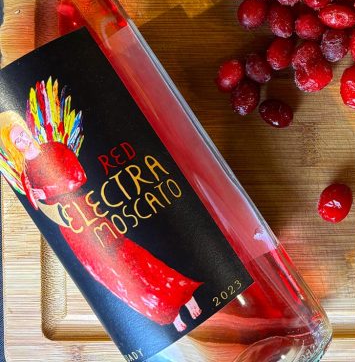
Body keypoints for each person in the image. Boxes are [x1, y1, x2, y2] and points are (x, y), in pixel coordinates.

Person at [0, 110, 203, 332]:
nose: (22, 140)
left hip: (87, 212)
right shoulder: (25, 171)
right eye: (16, 140)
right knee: (109, 275)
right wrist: (35, 195)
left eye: (22, 134)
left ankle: (184, 296)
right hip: (69, 228)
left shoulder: (54, 148)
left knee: (129, 258)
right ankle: (168, 314)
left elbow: (78, 176)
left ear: (27, 130)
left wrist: (45, 190)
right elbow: (35, 205)